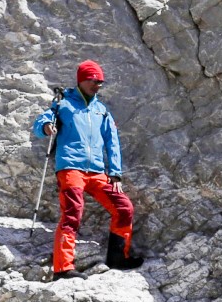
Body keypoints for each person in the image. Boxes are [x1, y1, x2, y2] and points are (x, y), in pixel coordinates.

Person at [33, 60, 142, 278]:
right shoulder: (63, 103)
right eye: (93, 80)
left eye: (100, 81)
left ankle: (118, 258)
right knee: (72, 213)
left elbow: (113, 142)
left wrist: (115, 174)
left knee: (124, 208)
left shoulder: (102, 110)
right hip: (70, 167)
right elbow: (41, 122)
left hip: (98, 172)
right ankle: (63, 268)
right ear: (81, 79)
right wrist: (46, 127)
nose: (97, 85)